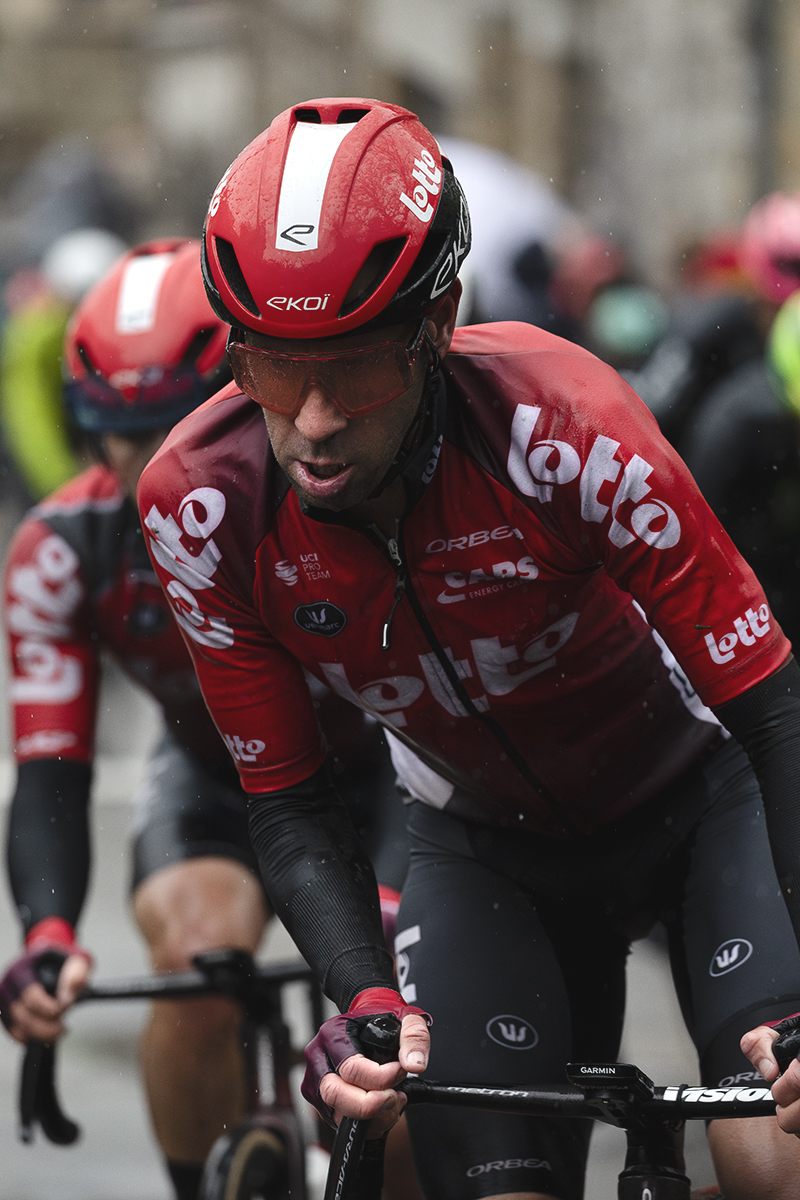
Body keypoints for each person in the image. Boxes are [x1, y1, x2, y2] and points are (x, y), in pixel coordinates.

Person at [137, 98, 800, 1200]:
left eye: (354, 370)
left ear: (439, 319)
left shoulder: (563, 423)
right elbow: (291, 801)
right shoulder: (200, 505)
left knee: (770, 1154)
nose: (311, 421)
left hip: (700, 801)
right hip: (486, 846)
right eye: (271, 369)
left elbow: (772, 708)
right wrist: (359, 997)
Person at [0, 236, 407, 1199]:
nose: (149, 464)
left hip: (391, 776)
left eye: (170, 425)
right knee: (190, 958)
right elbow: (51, 769)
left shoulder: (344, 497)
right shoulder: (63, 547)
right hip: (222, 781)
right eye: (115, 433)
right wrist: (47, 932)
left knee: (398, 1038)